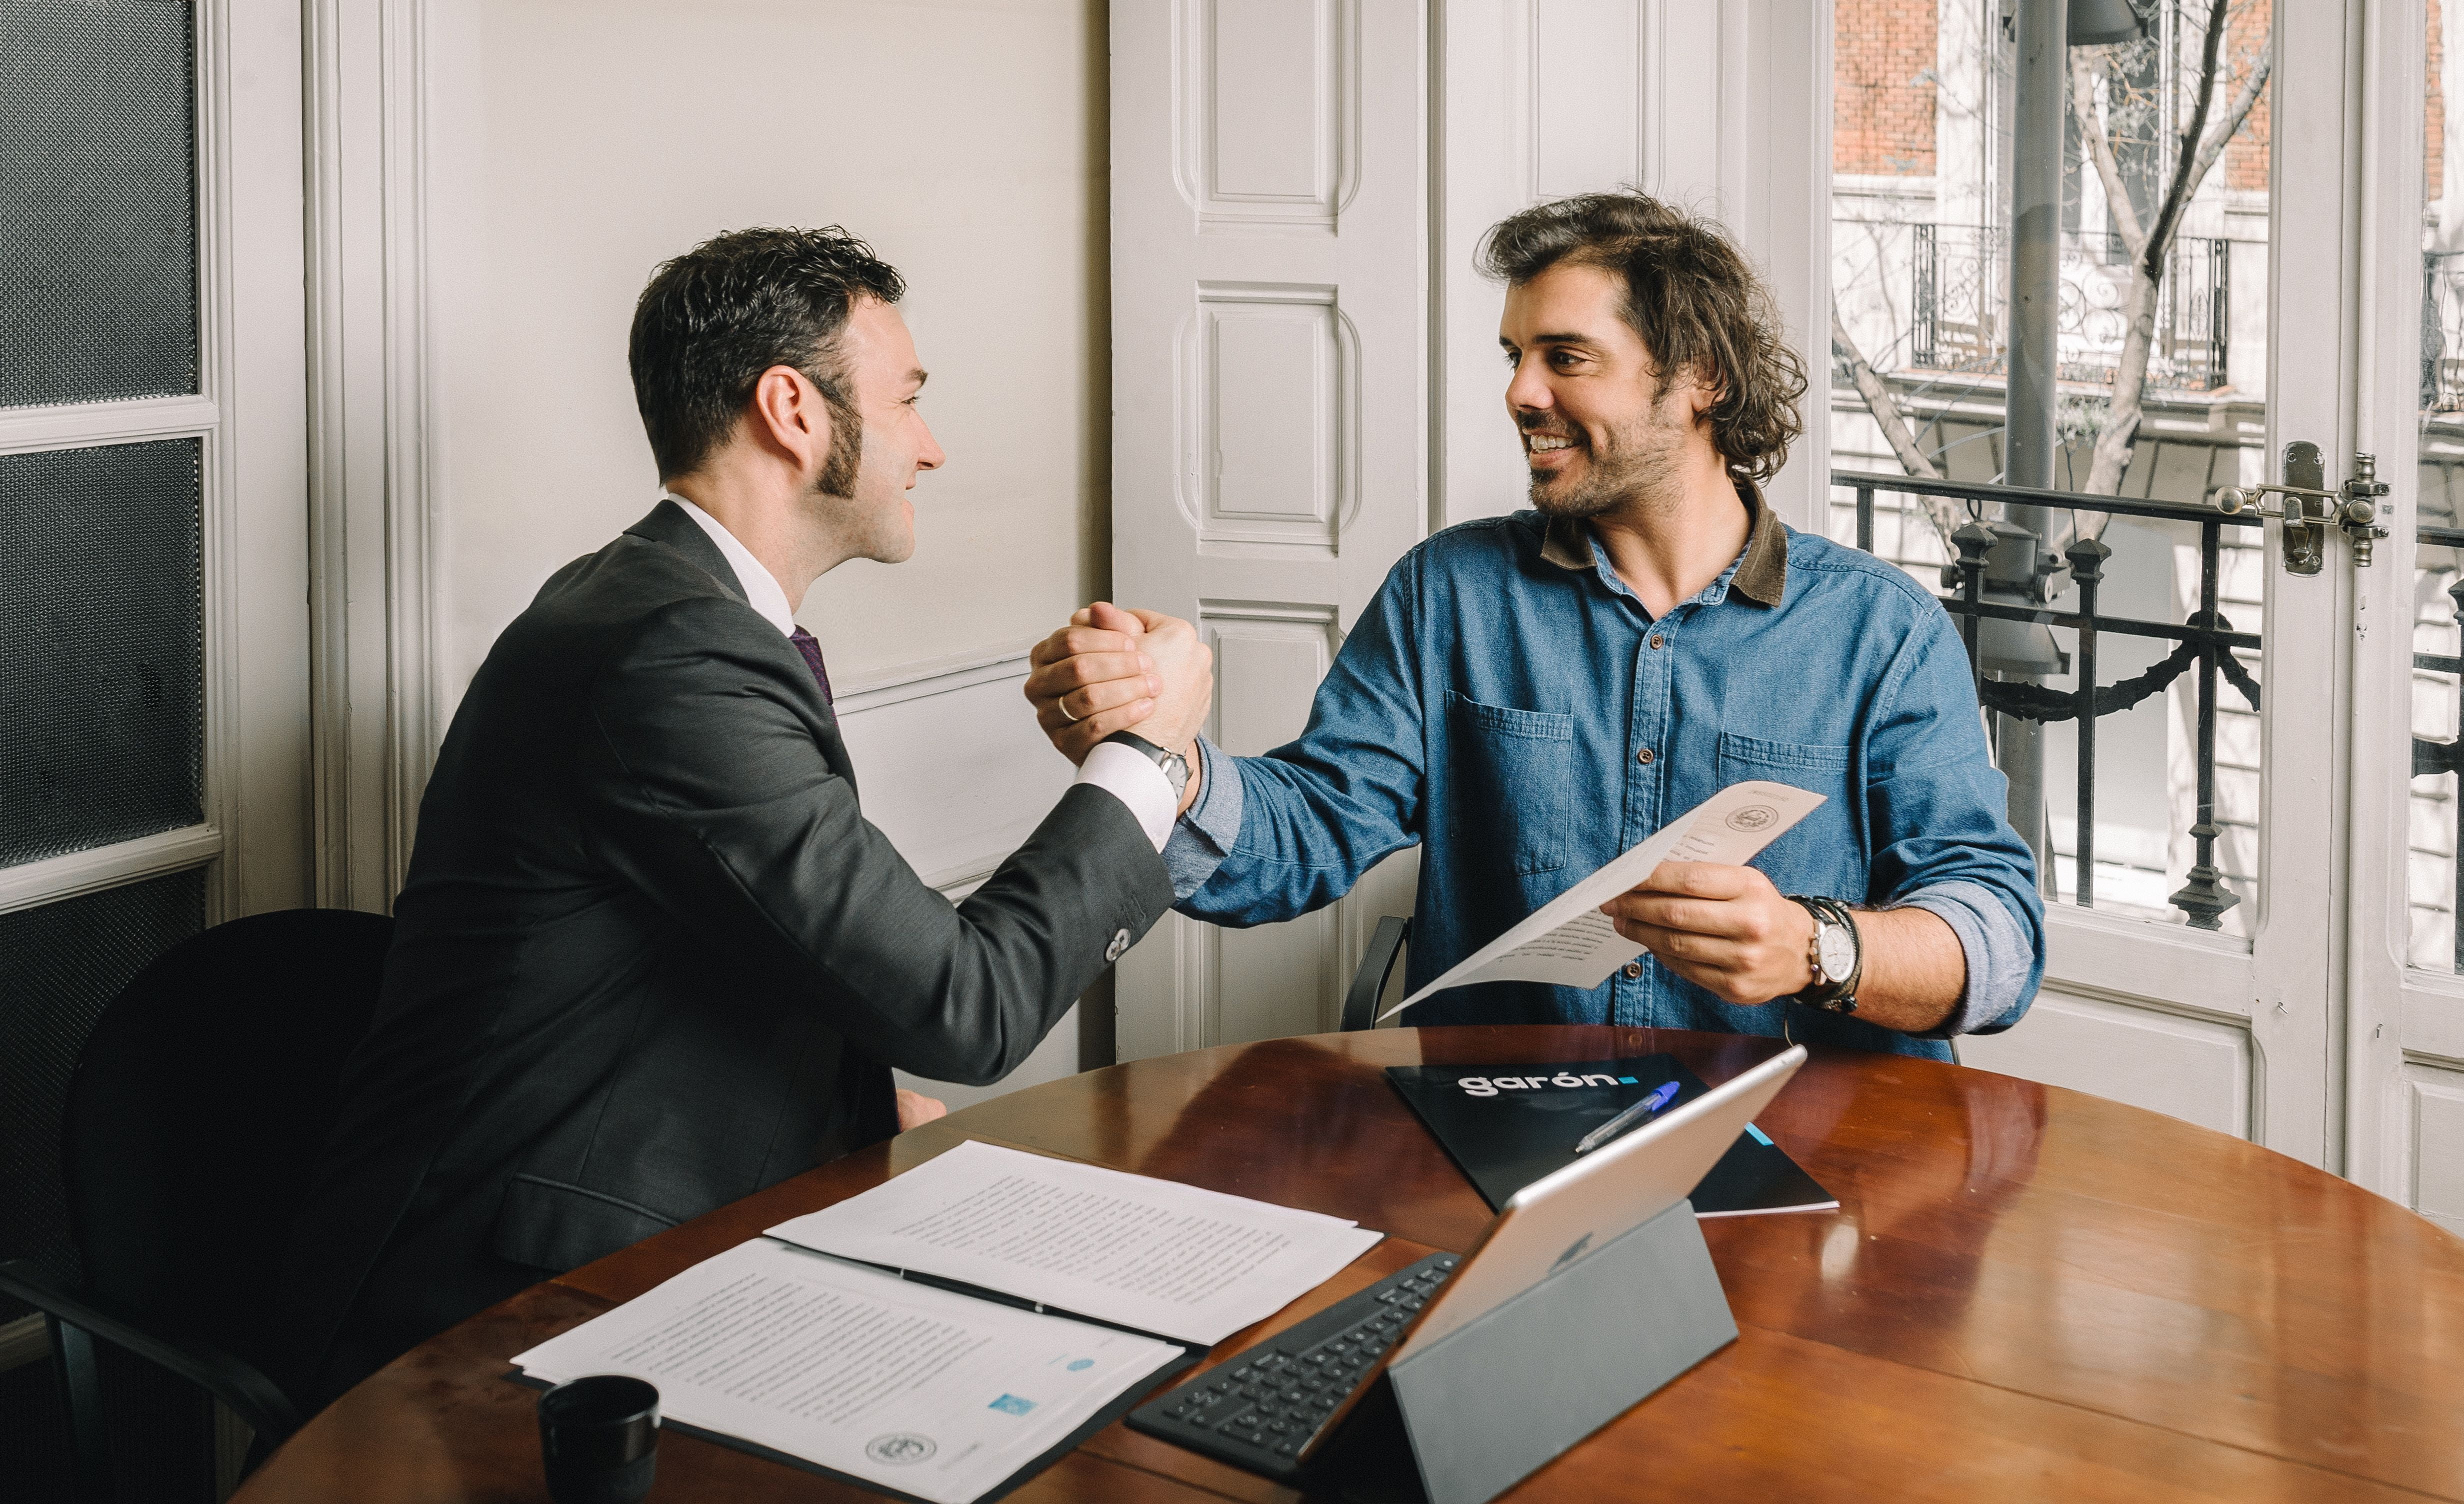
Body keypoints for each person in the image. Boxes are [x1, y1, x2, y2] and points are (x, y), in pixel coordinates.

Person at [280, 226, 1212, 1408]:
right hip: (506, 1307)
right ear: (793, 409)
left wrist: (866, 1091)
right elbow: (962, 1005)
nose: (930, 444)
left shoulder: (659, 603)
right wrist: (1144, 751)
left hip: (674, 1210)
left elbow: (771, 925)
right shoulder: (669, 652)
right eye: (908, 400)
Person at [1028, 192, 2042, 1057]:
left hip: (1800, 1152)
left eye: (1566, 356)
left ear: (1700, 379)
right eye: (1516, 355)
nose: (1520, 392)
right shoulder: (1451, 593)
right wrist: (1165, 765)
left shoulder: (1881, 632)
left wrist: (1815, 946)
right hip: (1510, 1138)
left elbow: (1997, 936)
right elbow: (1312, 826)